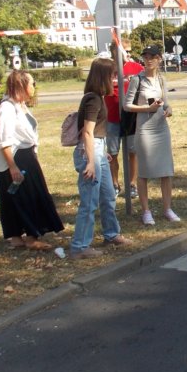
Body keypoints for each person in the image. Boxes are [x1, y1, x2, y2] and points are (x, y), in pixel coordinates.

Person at [0, 70, 64, 251]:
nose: (34, 87)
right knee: (23, 197)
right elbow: (3, 140)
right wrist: (13, 167)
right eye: (32, 83)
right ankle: (28, 238)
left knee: (25, 196)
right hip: (15, 158)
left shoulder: (20, 106)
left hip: (26, 156)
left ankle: (22, 236)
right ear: (21, 85)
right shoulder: (7, 108)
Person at [71, 58, 131, 258]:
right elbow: (87, 132)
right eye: (113, 75)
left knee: (108, 194)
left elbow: (94, 132)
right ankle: (80, 247)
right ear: (103, 77)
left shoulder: (97, 97)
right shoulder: (93, 99)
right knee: (89, 202)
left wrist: (102, 151)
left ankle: (111, 234)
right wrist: (91, 161)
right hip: (90, 152)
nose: (115, 79)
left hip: (98, 149)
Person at [124, 45, 180, 226]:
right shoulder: (137, 79)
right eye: (145, 57)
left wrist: (168, 110)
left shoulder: (161, 79)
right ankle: (146, 211)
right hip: (145, 130)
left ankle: (167, 209)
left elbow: (166, 103)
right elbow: (126, 105)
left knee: (166, 171)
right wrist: (147, 108)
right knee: (144, 172)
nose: (148, 60)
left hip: (161, 128)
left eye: (152, 57)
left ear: (159, 59)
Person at [104, 41, 144, 199]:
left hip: (131, 117)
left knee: (132, 152)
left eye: (129, 51)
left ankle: (132, 184)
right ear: (115, 51)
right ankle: (114, 184)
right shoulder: (106, 68)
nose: (128, 54)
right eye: (125, 51)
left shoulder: (135, 68)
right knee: (112, 153)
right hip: (112, 118)